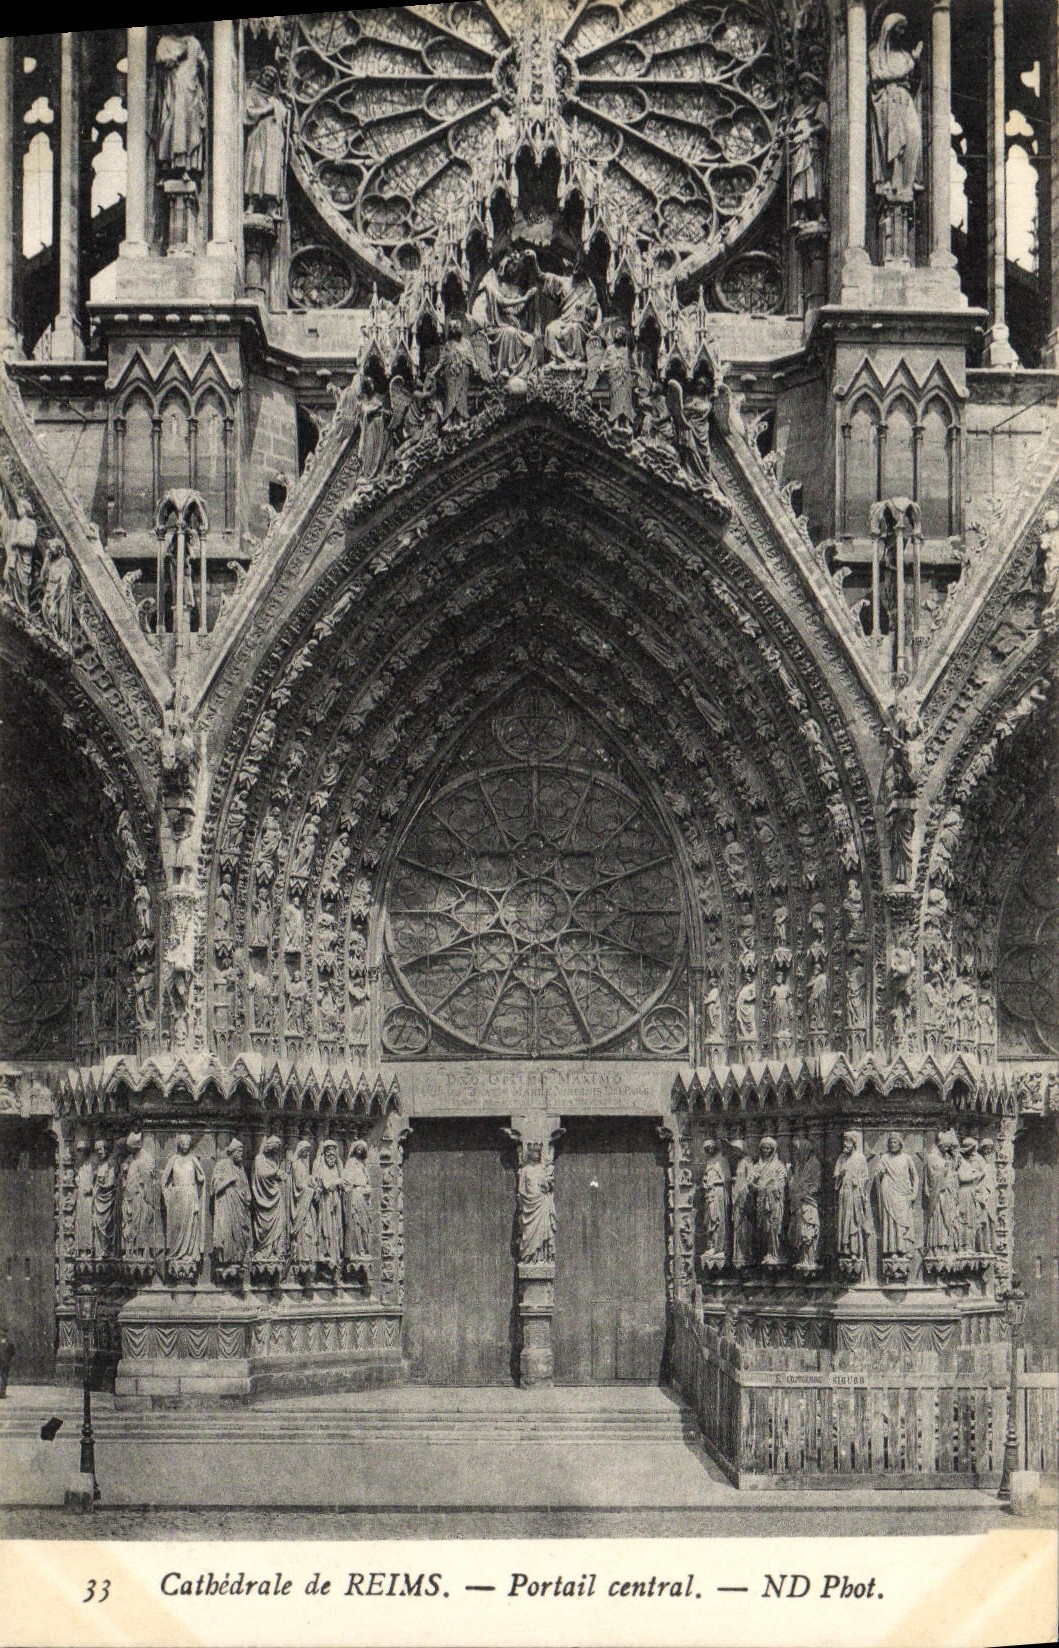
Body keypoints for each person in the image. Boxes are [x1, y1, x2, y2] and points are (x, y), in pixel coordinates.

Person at [868, 13, 923, 203]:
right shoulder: (875, 54)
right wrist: (907, 69)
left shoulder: (905, 55)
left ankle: (908, 182)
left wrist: (912, 65)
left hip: (905, 99)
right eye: (899, 28)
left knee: (913, 135)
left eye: (904, 29)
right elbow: (877, 77)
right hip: (888, 102)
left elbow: (914, 82)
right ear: (889, 30)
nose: (902, 33)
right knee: (895, 141)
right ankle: (895, 182)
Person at [154, 30, 209, 179]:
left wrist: (201, 65)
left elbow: (204, 67)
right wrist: (174, 58)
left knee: (191, 128)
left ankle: (188, 164)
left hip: (191, 92)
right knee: (174, 123)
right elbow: (160, 61)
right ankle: (172, 164)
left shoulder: (193, 42)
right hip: (174, 90)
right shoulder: (164, 41)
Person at [243, 65, 289, 215]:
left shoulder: (275, 99)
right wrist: (268, 109)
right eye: (266, 75)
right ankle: (252, 203)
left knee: (273, 170)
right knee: (256, 166)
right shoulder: (252, 93)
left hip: (274, 138)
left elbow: (284, 120)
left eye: (272, 77)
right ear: (261, 75)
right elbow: (249, 113)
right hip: (259, 134)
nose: (268, 79)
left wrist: (287, 109)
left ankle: (271, 207)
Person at [161, 1133, 205, 1280]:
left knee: (190, 1226)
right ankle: (176, 1253)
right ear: (179, 1143)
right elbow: (163, 1180)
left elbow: (201, 1178)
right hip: (176, 1197)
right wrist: (168, 1197)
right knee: (177, 1227)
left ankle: (188, 1254)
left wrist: (200, 1176)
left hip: (190, 1195)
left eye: (188, 1142)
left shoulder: (193, 1159)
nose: (185, 1144)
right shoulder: (173, 1160)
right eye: (183, 1142)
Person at [873, 1131, 919, 1265]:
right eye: (891, 1142)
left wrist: (914, 1193)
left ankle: (904, 1248)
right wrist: (880, 1174)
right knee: (891, 1222)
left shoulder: (906, 1158)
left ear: (900, 1143)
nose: (893, 1145)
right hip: (889, 1193)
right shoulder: (885, 1158)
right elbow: (877, 1173)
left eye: (895, 1142)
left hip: (903, 1193)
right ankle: (892, 1249)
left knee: (903, 1222)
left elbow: (915, 1176)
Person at [834, 1130, 873, 1278]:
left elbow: (865, 1177)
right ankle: (845, 1249)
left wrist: (859, 1183)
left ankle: (855, 1251)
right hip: (844, 1194)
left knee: (853, 1224)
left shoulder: (860, 1158)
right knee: (844, 1222)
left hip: (855, 1194)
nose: (845, 1144)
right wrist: (841, 1174)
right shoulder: (841, 1158)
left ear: (854, 1143)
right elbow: (836, 1177)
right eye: (844, 1141)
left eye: (848, 1141)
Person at [210, 1139, 251, 1273]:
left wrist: (248, 1195)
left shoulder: (240, 1168)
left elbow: (245, 1185)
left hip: (240, 1207)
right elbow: (215, 1187)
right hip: (226, 1206)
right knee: (227, 1232)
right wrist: (228, 1180)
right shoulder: (221, 1165)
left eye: (242, 1152)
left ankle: (238, 1259)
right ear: (232, 1152)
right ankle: (226, 1261)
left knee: (241, 1234)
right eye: (239, 1152)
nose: (241, 1155)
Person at [251, 1135, 288, 1270]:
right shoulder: (259, 1159)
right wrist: (276, 1172)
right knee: (264, 1225)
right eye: (275, 1147)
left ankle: (275, 1250)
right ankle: (263, 1250)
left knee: (279, 1222)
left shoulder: (274, 1160)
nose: (277, 1150)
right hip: (263, 1196)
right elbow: (261, 1174)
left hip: (276, 1195)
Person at [751, 1136, 788, 1267]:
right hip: (761, 1200)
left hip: (774, 1201)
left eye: (768, 1148)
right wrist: (755, 1184)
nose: (766, 1151)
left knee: (775, 1227)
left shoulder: (778, 1165)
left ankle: (776, 1253)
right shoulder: (757, 1166)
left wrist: (772, 1185)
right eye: (764, 1148)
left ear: (773, 1149)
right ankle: (768, 1252)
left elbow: (782, 1182)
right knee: (765, 1229)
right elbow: (751, 1183)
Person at [518, 1144, 556, 1265]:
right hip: (530, 1205)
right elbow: (521, 1189)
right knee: (529, 1232)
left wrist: (546, 1185)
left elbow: (550, 1187)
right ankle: (528, 1257)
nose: (537, 1154)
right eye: (534, 1152)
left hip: (542, 1203)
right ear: (529, 1153)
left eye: (538, 1152)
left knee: (543, 1230)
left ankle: (541, 1258)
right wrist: (526, 1200)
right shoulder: (525, 1170)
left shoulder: (543, 1169)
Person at [698, 1138, 730, 1272]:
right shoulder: (708, 1161)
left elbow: (726, 1178)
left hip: (718, 1194)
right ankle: (711, 1246)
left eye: (711, 1147)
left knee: (718, 1220)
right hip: (709, 1194)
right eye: (707, 1148)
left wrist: (715, 1183)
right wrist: (705, 1182)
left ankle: (719, 1247)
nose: (710, 1150)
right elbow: (706, 1177)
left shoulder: (722, 1160)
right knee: (710, 1221)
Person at [312, 1140, 343, 1276]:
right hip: (325, 1202)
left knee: (336, 1228)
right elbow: (324, 1184)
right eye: (328, 1151)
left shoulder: (337, 1166)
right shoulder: (320, 1166)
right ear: (324, 1153)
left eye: (333, 1151)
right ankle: (325, 1253)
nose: (331, 1154)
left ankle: (335, 1253)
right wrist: (336, 1182)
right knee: (325, 1227)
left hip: (335, 1200)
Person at [341, 1140, 373, 1264]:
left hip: (364, 1198)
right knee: (356, 1223)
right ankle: (356, 1250)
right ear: (354, 1149)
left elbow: (367, 1181)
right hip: (355, 1195)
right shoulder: (350, 1163)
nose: (360, 1150)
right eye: (358, 1148)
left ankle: (364, 1249)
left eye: (362, 1149)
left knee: (365, 1224)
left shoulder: (363, 1164)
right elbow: (346, 1181)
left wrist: (367, 1188)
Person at [728, 1138, 753, 1268]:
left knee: (743, 1225)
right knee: (737, 1225)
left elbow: (751, 1178)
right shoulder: (739, 1163)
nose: (734, 1153)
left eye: (736, 1150)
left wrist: (743, 1187)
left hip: (744, 1197)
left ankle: (744, 1255)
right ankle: (738, 1255)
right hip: (737, 1197)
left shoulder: (747, 1161)